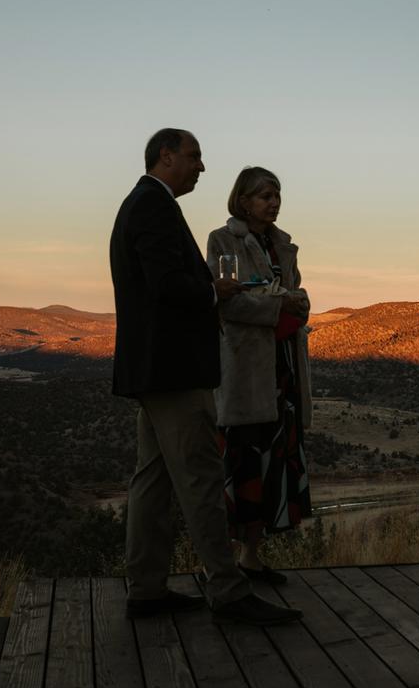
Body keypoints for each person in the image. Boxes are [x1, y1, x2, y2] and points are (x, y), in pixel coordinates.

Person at [110, 129, 301, 625]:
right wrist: (213, 289)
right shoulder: (154, 207)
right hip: (175, 369)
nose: (201, 166)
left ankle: (147, 588)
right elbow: (168, 285)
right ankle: (229, 588)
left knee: (152, 479)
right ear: (166, 156)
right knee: (200, 477)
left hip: (152, 370)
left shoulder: (143, 203)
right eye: (194, 157)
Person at [205, 167, 313, 583]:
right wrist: (278, 307)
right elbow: (227, 303)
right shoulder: (222, 240)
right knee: (242, 461)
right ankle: (222, 563)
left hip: (282, 368)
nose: (274, 202)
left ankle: (252, 557)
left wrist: (293, 303)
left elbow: (296, 295)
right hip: (246, 369)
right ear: (244, 200)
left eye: (277, 194)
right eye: (265, 195)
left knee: (275, 465)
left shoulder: (283, 245)